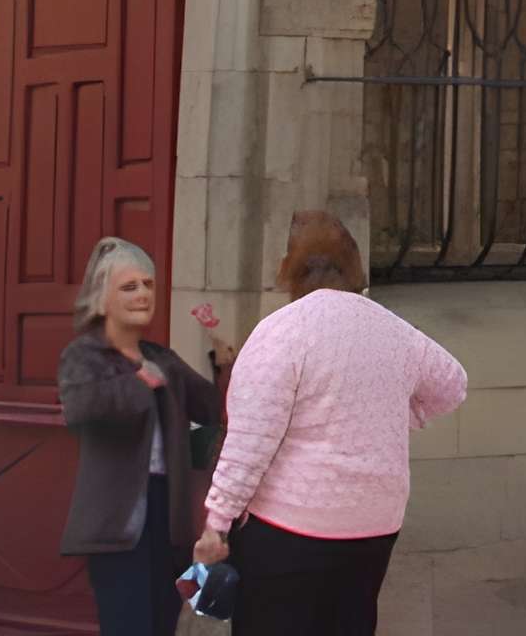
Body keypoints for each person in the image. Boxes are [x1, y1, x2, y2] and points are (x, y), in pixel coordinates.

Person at [192, 211, 468, 635]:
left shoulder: (282, 332)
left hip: (290, 527)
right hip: (374, 524)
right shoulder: (395, 332)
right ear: (355, 269)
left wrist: (217, 523)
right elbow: (453, 384)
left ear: (289, 270)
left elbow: (250, 441)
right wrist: (403, 413)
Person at [59, 238, 225, 636]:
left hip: (167, 520)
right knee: (128, 626)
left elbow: (211, 408)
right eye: (129, 287)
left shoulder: (161, 357)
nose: (144, 294)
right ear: (102, 297)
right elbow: (80, 409)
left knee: (161, 623)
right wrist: (137, 385)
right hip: (116, 526)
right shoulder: (83, 356)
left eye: (148, 285)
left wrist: (225, 364)